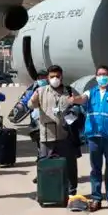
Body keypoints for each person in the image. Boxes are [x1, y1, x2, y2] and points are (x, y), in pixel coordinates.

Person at [74, 65, 108, 212]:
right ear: (96, 77)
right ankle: (96, 199)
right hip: (94, 137)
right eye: (100, 74)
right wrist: (74, 99)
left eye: (105, 74)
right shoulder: (91, 92)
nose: (102, 77)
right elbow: (83, 99)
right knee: (95, 168)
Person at [27, 64, 80, 195]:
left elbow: (80, 104)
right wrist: (33, 99)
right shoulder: (41, 91)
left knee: (69, 165)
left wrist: (75, 102)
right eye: (52, 76)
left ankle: (71, 190)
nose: (55, 78)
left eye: (57, 76)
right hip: (47, 135)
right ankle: (48, 191)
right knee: (46, 165)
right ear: (47, 78)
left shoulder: (69, 90)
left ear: (62, 77)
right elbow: (30, 105)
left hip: (65, 134)